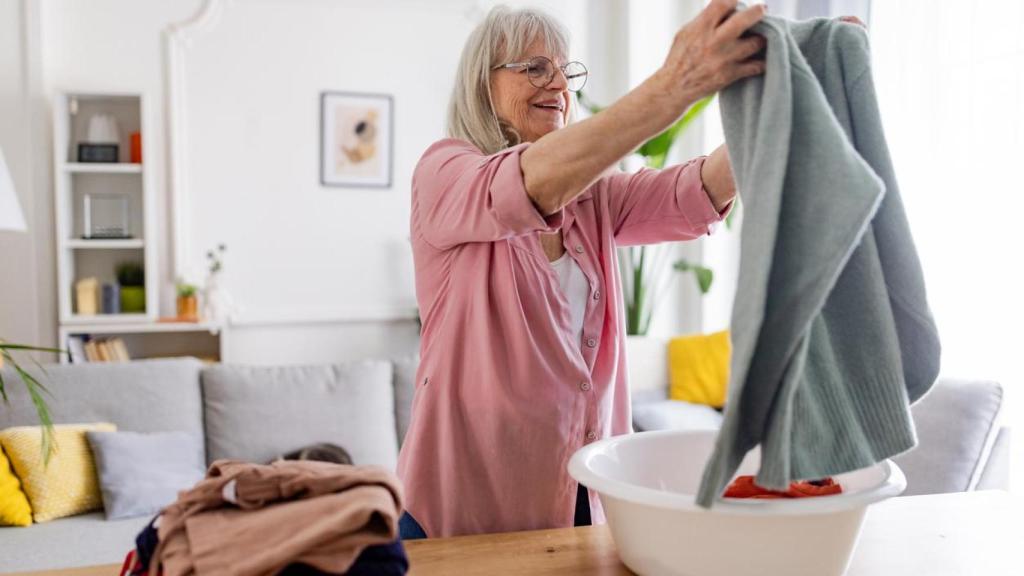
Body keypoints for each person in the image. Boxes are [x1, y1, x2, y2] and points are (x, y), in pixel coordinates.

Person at [397, 0, 768, 539]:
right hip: (467, 500)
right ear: (484, 85)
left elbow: (696, 189)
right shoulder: (444, 174)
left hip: (581, 491)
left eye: (565, 70)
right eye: (533, 68)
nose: (556, 84)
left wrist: (782, 110)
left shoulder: (590, 198)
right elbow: (526, 184)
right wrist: (675, 85)